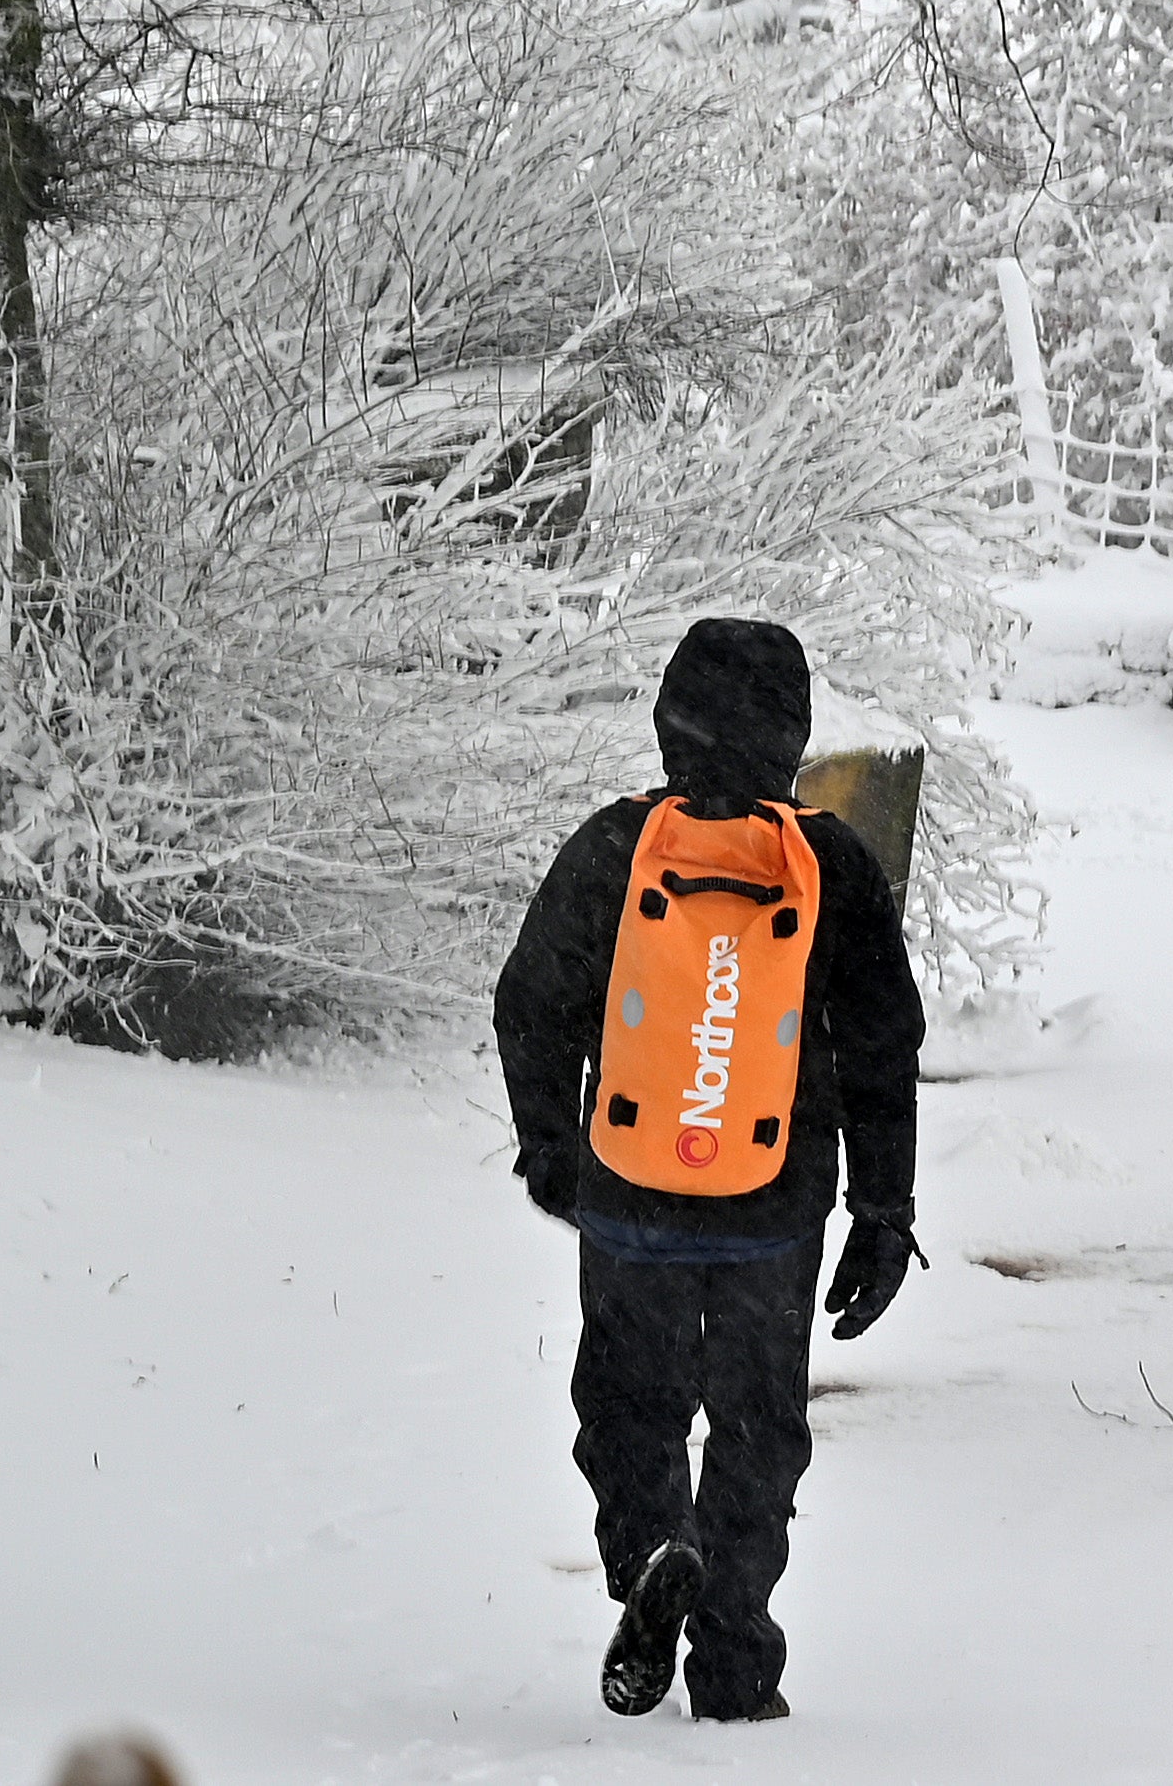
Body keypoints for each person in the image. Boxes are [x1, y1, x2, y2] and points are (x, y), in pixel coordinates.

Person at [495, 616, 927, 1721]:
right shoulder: (832, 862)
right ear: (793, 734)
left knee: (630, 1402)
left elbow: (531, 1000)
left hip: (631, 1191)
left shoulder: (614, 846)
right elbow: (882, 1041)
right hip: (773, 1210)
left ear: (667, 718)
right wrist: (884, 1206)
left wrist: (551, 1145)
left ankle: (652, 1541)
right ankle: (735, 1662)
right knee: (757, 1424)